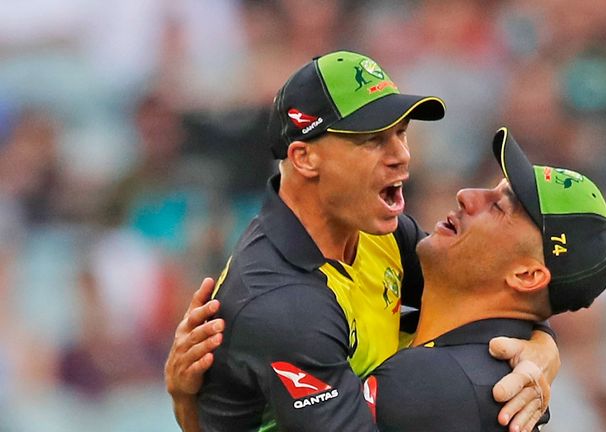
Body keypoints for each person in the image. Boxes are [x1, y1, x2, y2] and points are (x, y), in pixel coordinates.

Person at [165, 50, 561, 432]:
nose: (402, 155)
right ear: (304, 158)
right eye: (372, 140)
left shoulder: (378, 232)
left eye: (401, 133)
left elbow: (490, 291)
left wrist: (543, 349)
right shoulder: (281, 302)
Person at [365, 126, 606, 431]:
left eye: (498, 207)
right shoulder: (476, 368)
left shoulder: (434, 382)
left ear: (527, 275)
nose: (466, 195)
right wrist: (543, 339)